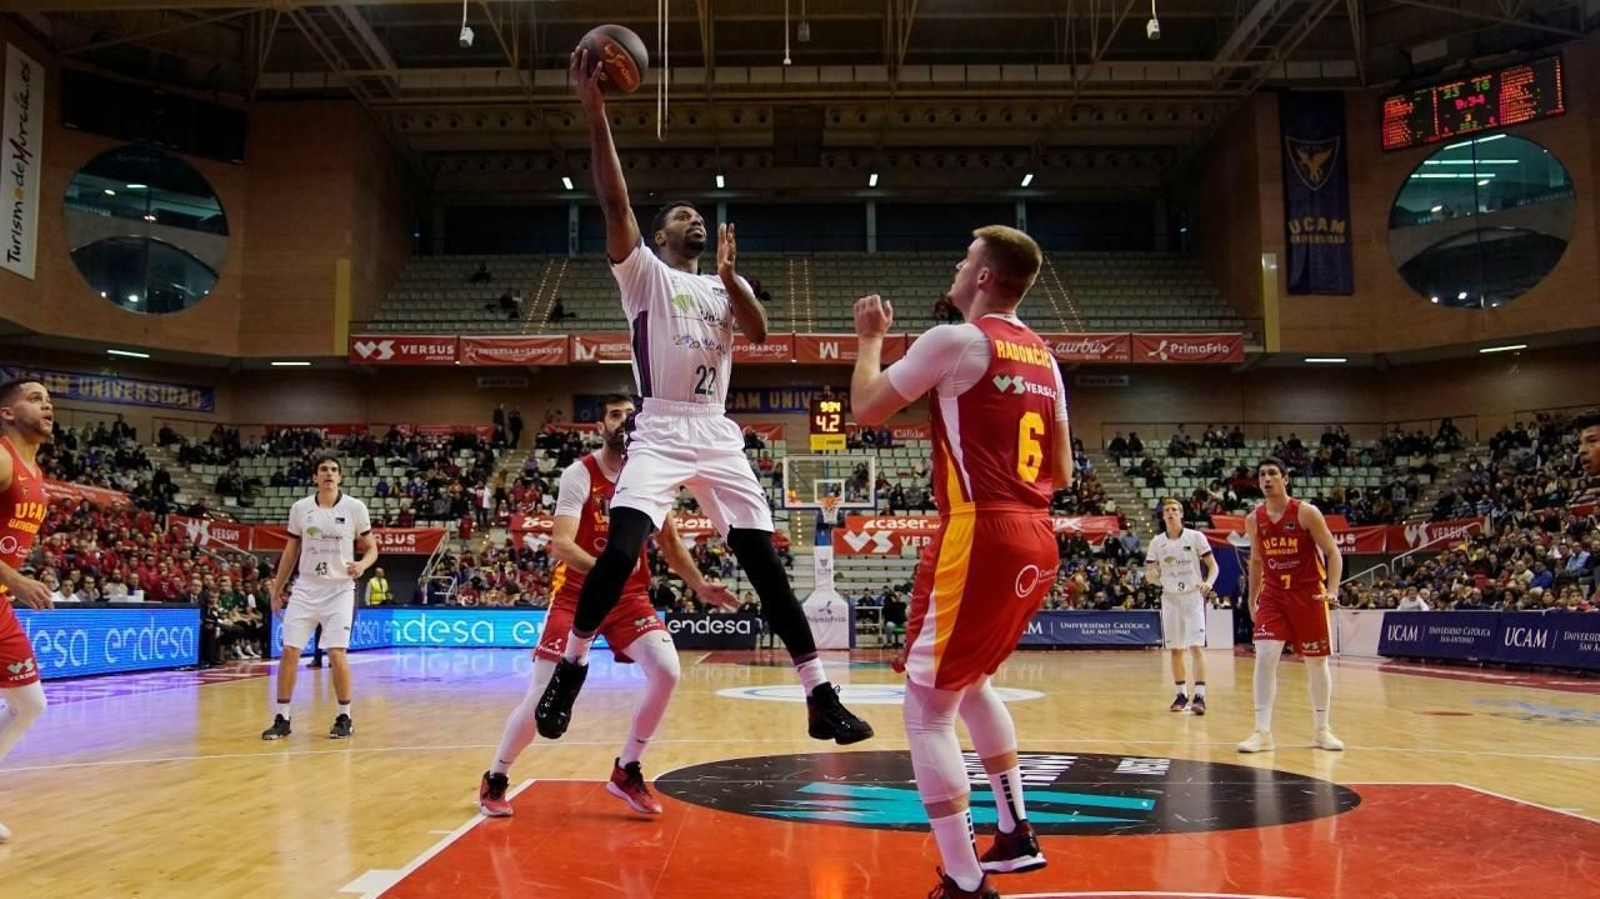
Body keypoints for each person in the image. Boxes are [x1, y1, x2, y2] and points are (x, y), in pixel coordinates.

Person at [532, 47, 873, 748]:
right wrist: (595, 111)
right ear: (659, 237)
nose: (694, 218)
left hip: (716, 431)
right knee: (623, 546)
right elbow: (614, 201)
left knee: (764, 564)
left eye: (699, 215)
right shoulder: (646, 276)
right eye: (682, 215)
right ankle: (572, 666)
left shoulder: (722, 286)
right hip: (658, 425)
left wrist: (734, 277)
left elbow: (761, 329)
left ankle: (820, 692)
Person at [849, 225, 1070, 899]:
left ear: (983, 277)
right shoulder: (1045, 356)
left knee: (926, 708)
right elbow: (1060, 468)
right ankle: (1015, 829)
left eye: (964, 256)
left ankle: (965, 879)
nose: (955, 262)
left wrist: (867, 339)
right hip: (1038, 531)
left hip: (980, 531)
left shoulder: (955, 340)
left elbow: (864, 408)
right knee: (971, 681)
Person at [478, 395, 733, 817]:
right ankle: (497, 775)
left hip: (629, 599)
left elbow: (668, 542)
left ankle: (627, 768)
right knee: (542, 695)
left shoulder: (652, 473)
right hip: (578, 595)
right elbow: (561, 544)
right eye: (615, 415)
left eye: (630, 416)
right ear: (601, 426)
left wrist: (700, 585)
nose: (623, 421)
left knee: (667, 671)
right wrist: (605, 573)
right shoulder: (581, 473)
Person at [261, 455, 379, 741]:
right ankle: (283, 718)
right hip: (305, 588)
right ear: (315, 477)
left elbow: (372, 548)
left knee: (336, 653)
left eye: (334, 470)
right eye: (324, 469)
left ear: (340, 477)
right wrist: (277, 590)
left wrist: (362, 565)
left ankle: (344, 717)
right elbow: (290, 552)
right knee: (290, 651)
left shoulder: (355, 507)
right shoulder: (301, 508)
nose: (329, 473)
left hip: (339, 589)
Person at [1238, 457, 1345, 754]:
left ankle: (1322, 729)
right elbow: (1257, 561)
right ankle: (1262, 732)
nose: (1267, 479)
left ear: (1286, 479)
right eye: (1262, 475)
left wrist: (1333, 589)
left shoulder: (1306, 512)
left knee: (1316, 662)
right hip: (1273, 594)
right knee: (1265, 655)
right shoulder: (1253, 519)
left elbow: (1333, 553)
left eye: (1273, 473)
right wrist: (1252, 598)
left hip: (1308, 593)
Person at [0, 380, 56, 842]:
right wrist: (17, 579)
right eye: (34, 398)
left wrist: (14, 579)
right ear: (6, 411)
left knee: (29, 703)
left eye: (49, 399)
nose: (46, 404)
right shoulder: (1, 457)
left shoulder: (34, 471)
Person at [1145, 498, 1218, 715]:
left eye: (1175, 509)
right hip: (1170, 598)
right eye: (1167, 510)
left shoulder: (1196, 537)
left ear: (1181, 514)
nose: (1171, 512)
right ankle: (1181, 694)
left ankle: (1200, 696)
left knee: (1196, 646)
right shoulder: (1157, 542)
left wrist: (1209, 583)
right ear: (1163, 515)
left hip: (1192, 597)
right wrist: (1153, 573)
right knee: (1176, 649)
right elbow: (1150, 577)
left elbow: (1213, 567)